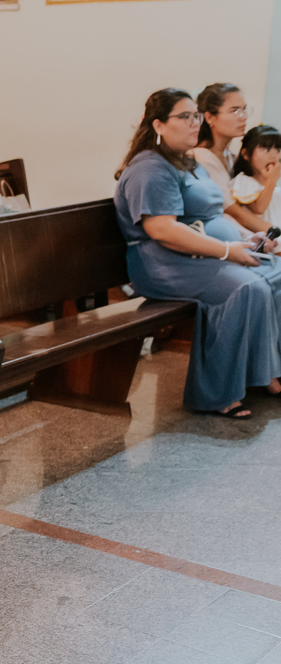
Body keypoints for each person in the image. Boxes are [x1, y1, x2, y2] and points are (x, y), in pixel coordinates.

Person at [114, 88, 281, 419]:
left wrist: (253, 237)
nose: (194, 123)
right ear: (159, 125)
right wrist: (226, 251)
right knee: (246, 288)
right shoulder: (150, 168)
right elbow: (161, 229)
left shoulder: (187, 161)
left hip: (200, 255)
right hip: (162, 263)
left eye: (195, 115)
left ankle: (264, 374)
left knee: (276, 274)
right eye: (184, 117)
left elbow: (214, 216)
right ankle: (216, 394)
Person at [194, 83, 270, 235]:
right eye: (235, 111)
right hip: (222, 236)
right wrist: (274, 231)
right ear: (209, 117)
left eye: (244, 109)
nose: (243, 117)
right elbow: (234, 212)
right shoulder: (201, 157)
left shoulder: (232, 157)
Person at [231, 125, 281, 235]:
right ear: (245, 154)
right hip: (263, 241)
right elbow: (259, 208)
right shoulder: (244, 181)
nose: (273, 155)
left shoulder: (275, 187)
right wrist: (272, 180)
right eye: (266, 149)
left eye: (277, 150)